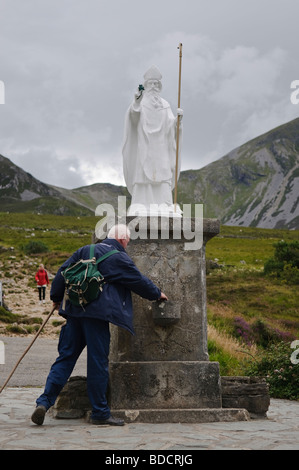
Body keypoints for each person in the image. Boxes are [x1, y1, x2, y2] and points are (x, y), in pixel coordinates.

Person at [31, 224, 168, 426]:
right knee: (97, 363)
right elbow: (138, 280)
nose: (127, 245)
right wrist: (157, 294)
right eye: (127, 241)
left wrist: (56, 297)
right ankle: (100, 413)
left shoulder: (86, 250)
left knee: (65, 358)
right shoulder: (119, 257)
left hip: (75, 313)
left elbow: (62, 272)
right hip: (97, 318)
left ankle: (43, 403)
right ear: (122, 239)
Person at [122, 65, 183, 216]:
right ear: (146, 86)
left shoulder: (165, 105)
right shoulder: (140, 103)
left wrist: (178, 121)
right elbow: (134, 118)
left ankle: (164, 204)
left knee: (163, 173)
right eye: (151, 84)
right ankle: (141, 204)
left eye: (156, 84)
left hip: (161, 146)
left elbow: (171, 126)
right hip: (145, 144)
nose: (154, 86)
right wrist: (136, 102)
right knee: (143, 174)